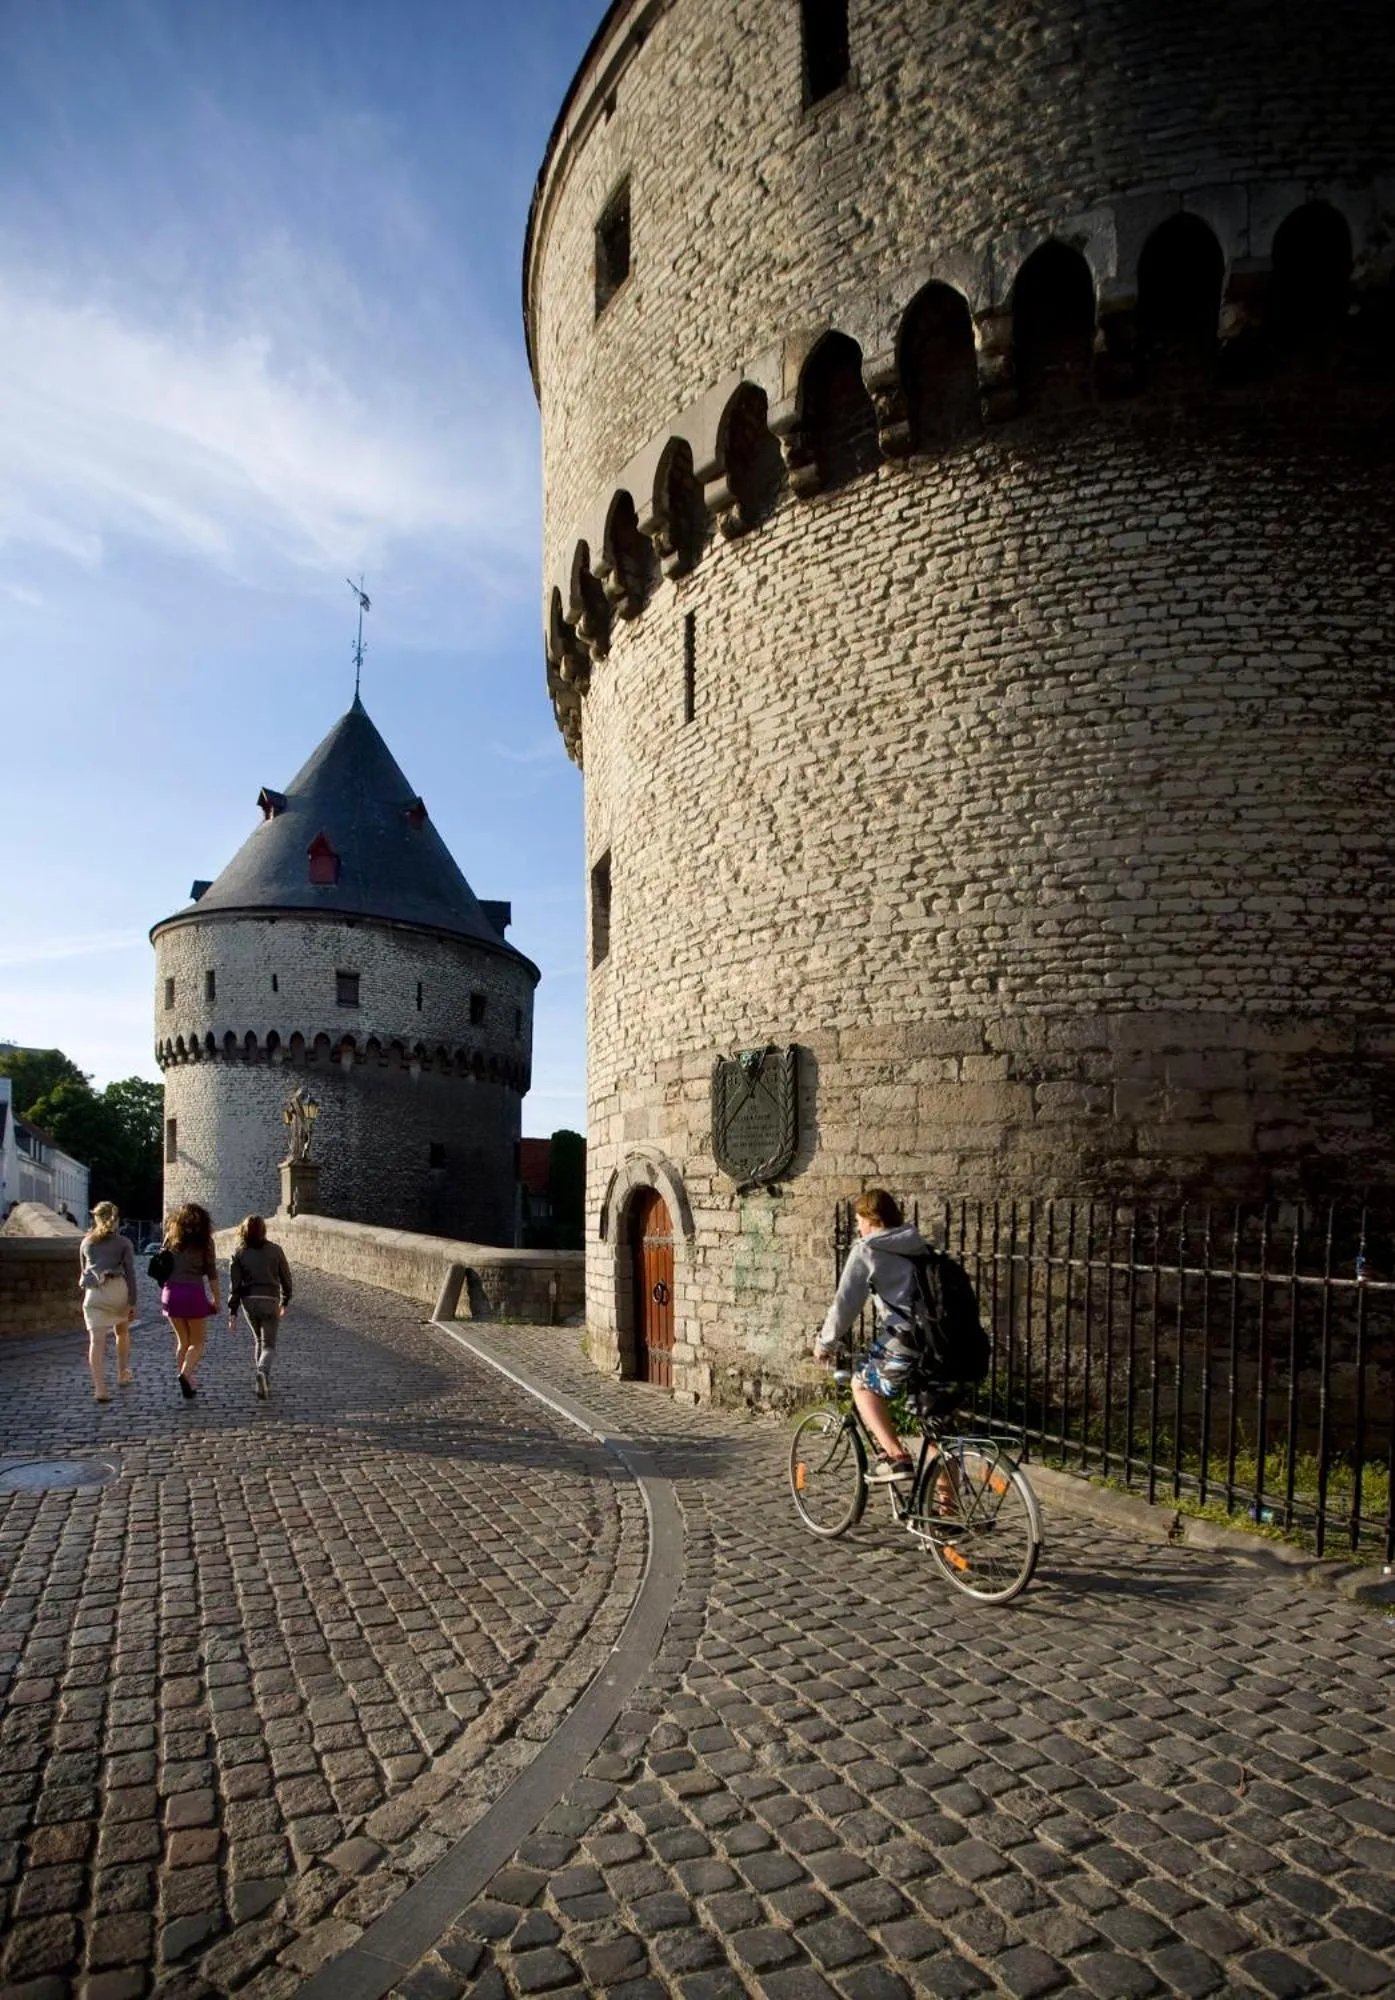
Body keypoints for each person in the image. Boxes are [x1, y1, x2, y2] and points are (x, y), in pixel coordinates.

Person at [814, 1187, 939, 1485]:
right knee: (936, 1430)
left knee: (862, 1384)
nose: (858, 1226)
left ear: (871, 1219)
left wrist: (825, 1343)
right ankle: (947, 1516)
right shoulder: (917, 1244)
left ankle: (896, 1457)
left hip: (906, 1338)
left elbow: (845, 1304)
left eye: (859, 1219)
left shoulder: (867, 1249)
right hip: (940, 1339)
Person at [227, 1215, 292, 1399]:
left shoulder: (239, 1252)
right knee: (269, 1345)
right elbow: (286, 1278)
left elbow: (235, 1285)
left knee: (258, 1340)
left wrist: (233, 1311)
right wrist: (285, 1300)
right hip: (270, 1299)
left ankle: (262, 1381)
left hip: (249, 1300)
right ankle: (262, 1372)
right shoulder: (275, 1250)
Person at [78, 1201, 137, 1403]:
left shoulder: (86, 1242)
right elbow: (130, 1275)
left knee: (96, 1342)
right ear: (116, 1219)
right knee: (122, 1332)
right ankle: (122, 1373)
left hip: (94, 1293)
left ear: (96, 1218)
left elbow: (83, 1272)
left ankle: (100, 1389)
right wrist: (132, 1302)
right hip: (117, 1290)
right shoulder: (124, 1243)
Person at [160, 1203, 220, 1399]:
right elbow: (211, 1273)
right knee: (198, 1342)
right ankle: (186, 1375)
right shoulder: (206, 1242)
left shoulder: (170, 1238)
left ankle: (187, 1379)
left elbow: (162, 1263)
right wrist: (216, 1298)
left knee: (182, 1341)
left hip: (170, 1292)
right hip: (193, 1292)